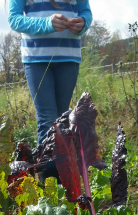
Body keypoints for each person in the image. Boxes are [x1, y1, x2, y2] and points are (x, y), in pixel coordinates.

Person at [8, 0, 92, 145]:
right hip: (36, 60)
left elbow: (85, 11)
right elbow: (14, 19)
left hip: (69, 58)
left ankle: (62, 167)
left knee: (62, 118)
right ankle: (47, 167)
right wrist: (47, 24)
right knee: (47, 119)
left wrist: (83, 23)